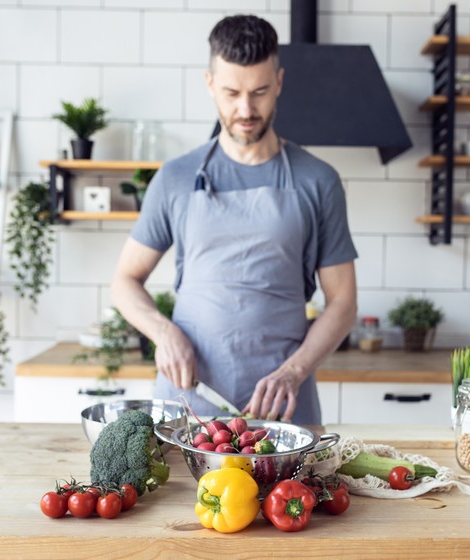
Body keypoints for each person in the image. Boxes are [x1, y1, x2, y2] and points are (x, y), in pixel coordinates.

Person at [111, 14, 357, 424]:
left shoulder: (319, 181)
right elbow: (124, 282)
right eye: (231, 92)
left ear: (279, 81)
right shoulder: (175, 178)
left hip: (284, 408)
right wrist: (164, 332)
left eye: (260, 91)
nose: (246, 109)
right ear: (210, 84)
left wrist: (293, 372)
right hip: (188, 406)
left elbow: (343, 303)